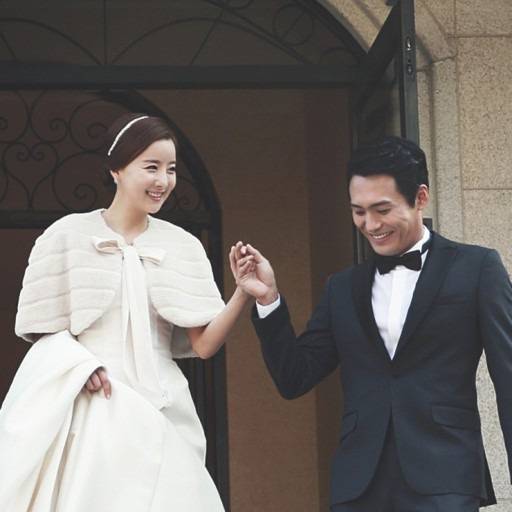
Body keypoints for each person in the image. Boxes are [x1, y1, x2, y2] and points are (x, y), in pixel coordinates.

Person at [231, 136, 512, 511]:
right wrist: (268, 299)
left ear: (421, 198)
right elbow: (294, 377)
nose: (370, 224)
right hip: (358, 486)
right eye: (359, 211)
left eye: (382, 210)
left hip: (445, 478)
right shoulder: (342, 288)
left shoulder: (477, 268)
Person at [0, 113, 251, 511]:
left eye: (171, 169)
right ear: (116, 169)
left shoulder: (184, 246)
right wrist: (78, 364)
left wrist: (242, 293)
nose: (163, 180)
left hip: (164, 404)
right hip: (95, 403)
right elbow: (42, 329)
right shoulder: (65, 235)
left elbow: (203, 346)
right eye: (151, 167)